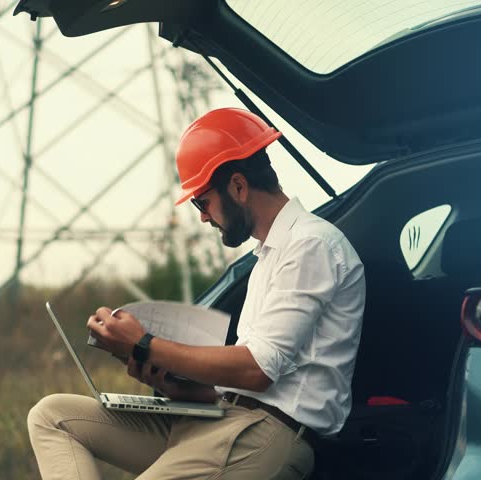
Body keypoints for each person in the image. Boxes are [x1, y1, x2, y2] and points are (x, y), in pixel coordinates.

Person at [27, 108, 365, 479]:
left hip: (266, 435)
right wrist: (170, 383)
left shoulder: (311, 245)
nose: (203, 217)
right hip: (219, 418)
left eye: (202, 202)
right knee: (52, 416)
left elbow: (258, 371)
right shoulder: (271, 253)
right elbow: (243, 385)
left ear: (238, 187)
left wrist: (144, 344)